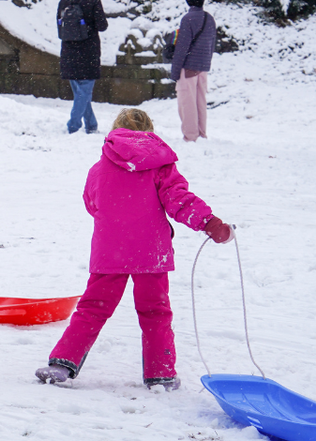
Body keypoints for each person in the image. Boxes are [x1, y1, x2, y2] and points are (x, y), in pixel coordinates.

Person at [34, 109, 234, 390]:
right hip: (151, 252)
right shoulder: (160, 165)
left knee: (92, 309)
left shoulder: (99, 168)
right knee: (155, 312)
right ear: (150, 132)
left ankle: (62, 364)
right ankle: (161, 374)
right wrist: (210, 223)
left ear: (115, 132)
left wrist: (119, 219)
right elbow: (179, 200)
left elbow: (92, 204)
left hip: (110, 250)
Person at [57, 0, 109, 134]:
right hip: (89, 51)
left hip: (68, 51)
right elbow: (102, 26)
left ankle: (91, 124)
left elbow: (59, 25)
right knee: (85, 90)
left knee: (80, 91)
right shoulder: (93, 0)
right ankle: (73, 124)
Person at [170, 0, 217, 142]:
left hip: (189, 67)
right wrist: (206, 63)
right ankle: (201, 133)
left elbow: (182, 48)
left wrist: (175, 72)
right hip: (203, 66)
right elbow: (211, 44)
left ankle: (190, 136)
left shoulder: (187, 19)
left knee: (187, 102)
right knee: (200, 101)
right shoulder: (209, 18)